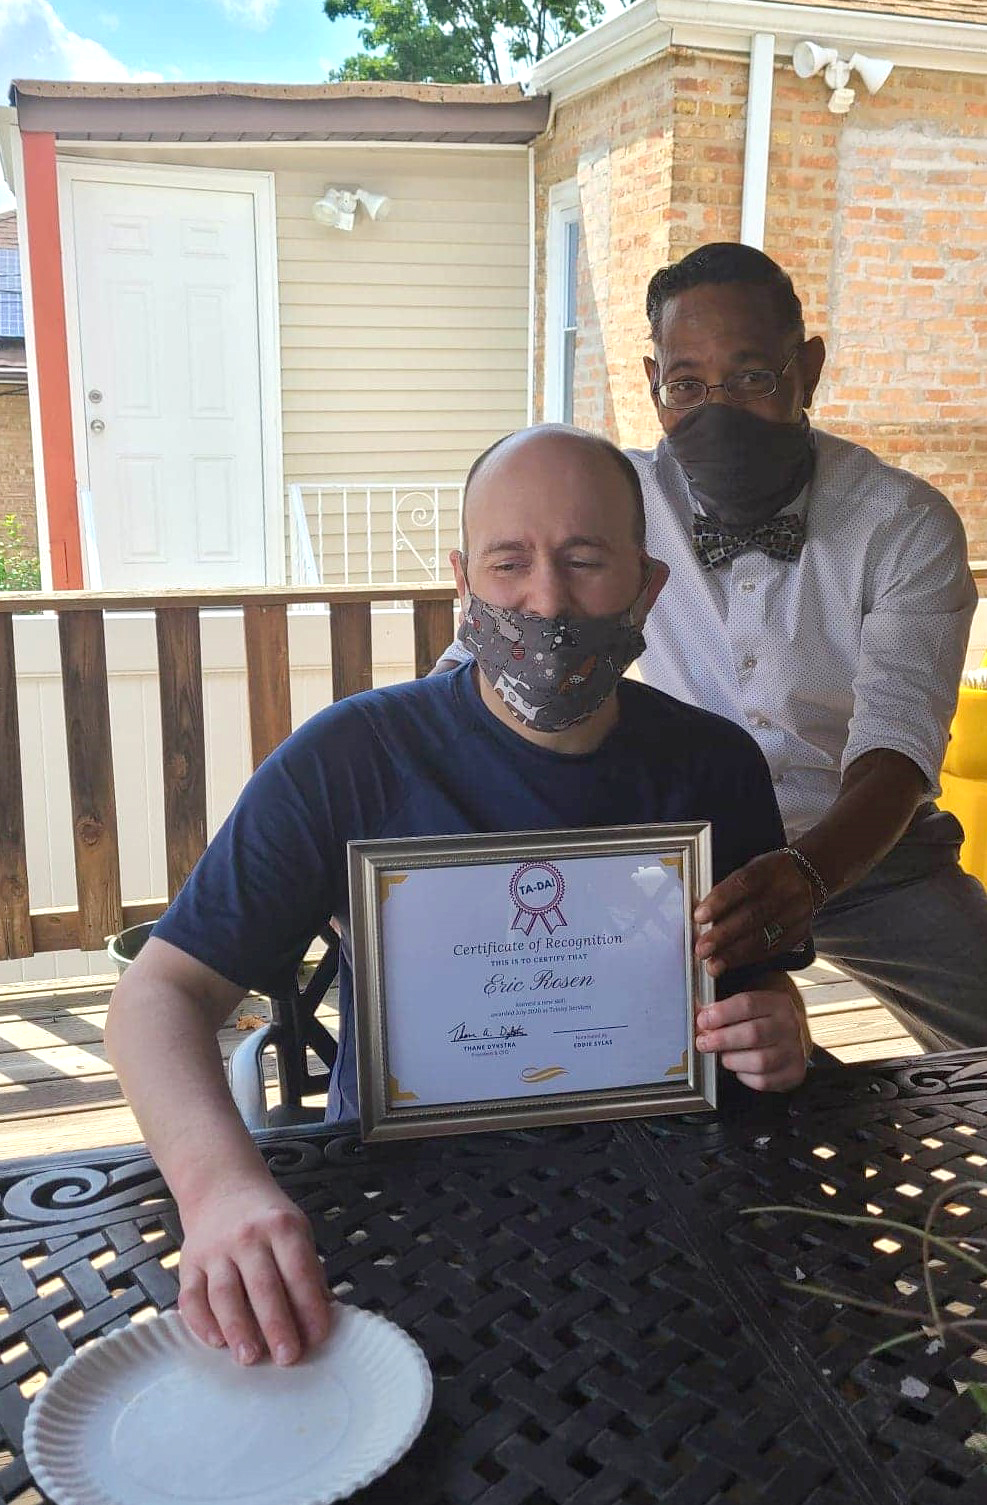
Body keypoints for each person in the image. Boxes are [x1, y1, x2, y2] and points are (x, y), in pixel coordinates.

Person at [106, 424, 812, 1372]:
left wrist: (775, 1025)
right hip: (408, 1209)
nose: (547, 600)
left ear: (647, 586)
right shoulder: (346, 760)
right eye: (508, 562)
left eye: (585, 560)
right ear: (462, 583)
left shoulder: (714, 763)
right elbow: (157, 995)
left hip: (668, 1200)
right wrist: (220, 1187)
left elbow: (760, 990)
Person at [438, 243, 987, 1053]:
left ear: (807, 367)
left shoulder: (901, 523)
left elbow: (898, 747)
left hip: (864, 851)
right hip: (661, 856)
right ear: (654, 381)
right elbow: (490, 665)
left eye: (751, 378)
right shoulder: (615, 504)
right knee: (599, 1051)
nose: (714, 409)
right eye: (686, 384)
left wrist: (810, 876)